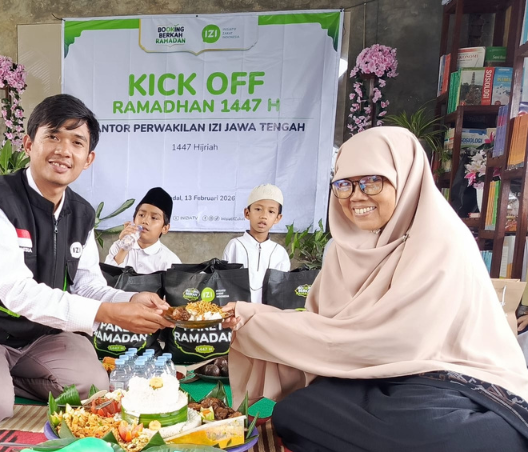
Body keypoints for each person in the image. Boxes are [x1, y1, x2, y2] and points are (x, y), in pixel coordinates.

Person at [223, 127, 528, 451]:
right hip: (371, 378)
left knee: (438, 429)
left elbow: (401, 342)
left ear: (406, 178)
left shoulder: (441, 241)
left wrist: (266, 323)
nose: (356, 196)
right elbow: (325, 326)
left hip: (451, 381)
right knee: (295, 412)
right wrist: (253, 319)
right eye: (345, 184)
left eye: (372, 181)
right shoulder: (344, 251)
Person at [0, 94, 173, 426]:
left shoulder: (81, 214)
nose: (64, 150)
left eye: (77, 142)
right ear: (29, 144)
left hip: (39, 336)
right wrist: (110, 313)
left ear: (88, 158)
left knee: (93, 389)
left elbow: (87, 286)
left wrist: (130, 300)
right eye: (53, 136)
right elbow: (17, 292)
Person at [222, 184, 290, 303]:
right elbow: (224, 283)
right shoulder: (235, 246)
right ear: (247, 213)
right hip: (238, 312)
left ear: (278, 218)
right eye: (258, 209)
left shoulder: (280, 253)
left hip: (269, 312)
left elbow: (282, 290)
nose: (263, 216)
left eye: (271, 211)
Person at [104, 187, 181, 273]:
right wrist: (125, 247)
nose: (145, 221)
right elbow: (107, 277)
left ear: (165, 228)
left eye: (154, 218)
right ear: (134, 220)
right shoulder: (118, 246)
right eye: (141, 215)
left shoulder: (170, 261)